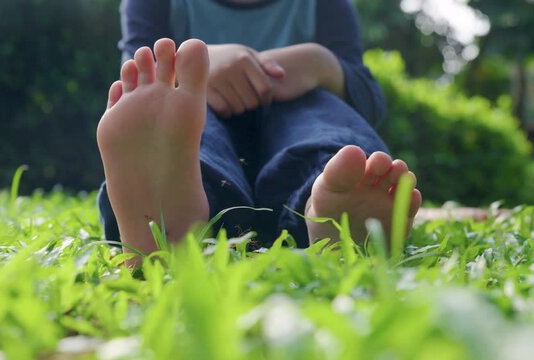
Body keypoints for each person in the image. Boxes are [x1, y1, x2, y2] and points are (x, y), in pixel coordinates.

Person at [96, 0, 422, 263]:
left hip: (293, 134)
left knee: (316, 106)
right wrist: (200, 69)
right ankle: (179, 215)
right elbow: (138, 85)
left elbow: (368, 98)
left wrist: (319, 64)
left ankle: (328, 203)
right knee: (177, 111)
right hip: (204, 133)